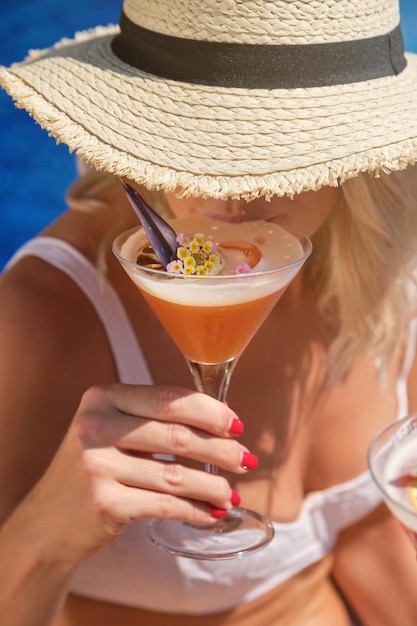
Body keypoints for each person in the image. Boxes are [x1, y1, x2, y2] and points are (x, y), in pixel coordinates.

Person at [1, 0, 417, 624]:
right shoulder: (39, 318)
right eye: (191, 138)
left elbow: (365, 542)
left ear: (357, 147)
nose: (224, 194)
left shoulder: (386, 271)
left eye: (271, 145)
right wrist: (44, 538)